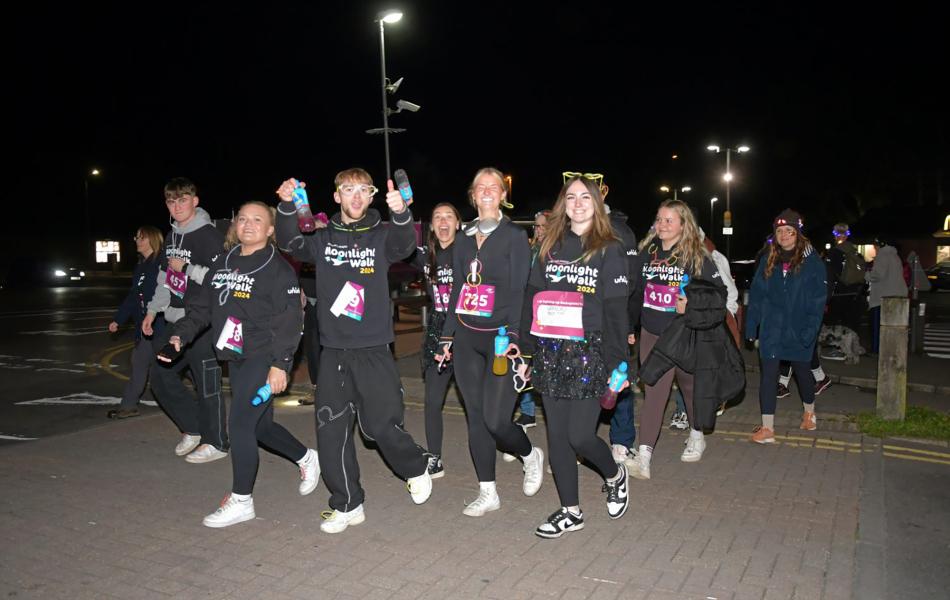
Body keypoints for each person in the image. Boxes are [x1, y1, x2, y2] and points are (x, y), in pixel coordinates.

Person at [275, 168, 432, 534]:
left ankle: (415, 466)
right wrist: (285, 206)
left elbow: (404, 246)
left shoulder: (381, 235)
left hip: (374, 349)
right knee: (331, 430)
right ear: (337, 196)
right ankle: (348, 503)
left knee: (379, 426)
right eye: (348, 189)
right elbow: (289, 243)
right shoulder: (321, 237)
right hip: (333, 350)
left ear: (372, 195)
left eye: (364, 190)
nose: (357, 196)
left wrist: (401, 212)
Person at [159, 201, 319, 527]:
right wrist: (180, 335)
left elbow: (290, 320)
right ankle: (306, 457)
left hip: (263, 355)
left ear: (270, 229)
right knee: (259, 427)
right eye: (242, 219)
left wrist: (281, 365)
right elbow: (203, 306)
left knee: (240, 425)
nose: (247, 224)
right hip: (235, 355)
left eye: (257, 220)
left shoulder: (277, 269)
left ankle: (242, 500)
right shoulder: (224, 262)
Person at [516, 174, 630, 538]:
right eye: (571, 197)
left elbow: (616, 313)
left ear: (596, 204)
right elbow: (532, 299)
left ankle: (615, 474)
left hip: (590, 352)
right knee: (558, 438)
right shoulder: (549, 245)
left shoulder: (610, 248)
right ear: (562, 205)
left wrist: (619, 364)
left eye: (584, 197)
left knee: (581, 436)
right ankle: (570, 511)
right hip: (550, 351)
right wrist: (525, 351)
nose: (577, 203)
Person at [436, 167, 544, 517]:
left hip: (501, 339)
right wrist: (447, 336)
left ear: (502, 194)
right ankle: (487, 492)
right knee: (477, 418)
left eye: (492, 187)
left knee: (497, 421)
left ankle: (530, 454)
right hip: (467, 337)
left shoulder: (514, 236)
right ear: (472, 195)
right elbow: (458, 290)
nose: (485, 191)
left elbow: (519, 291)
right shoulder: (464, 237)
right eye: (480, 186)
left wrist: (514, 336)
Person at [626, 200, 725, 479]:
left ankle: (697, 434)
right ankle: (644, 457)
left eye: (669, 220)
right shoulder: (647, 252)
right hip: (651, 333)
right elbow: (635, 291)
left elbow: (719, 293)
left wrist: (691, 303)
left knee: (689, 388)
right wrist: (628, 325)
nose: (662, 225)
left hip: (683, 334)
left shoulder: (696, 255)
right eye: (659, 219)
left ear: (684, 225)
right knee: (654, 390)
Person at [142, 177, 229, 463]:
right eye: (171, 201)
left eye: (182, 200)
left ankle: (217, 442)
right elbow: (165, 278)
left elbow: (221, 280)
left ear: (195, 201)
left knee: (207, 384)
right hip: (176, 320)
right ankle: (193, 427)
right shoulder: (171, 237)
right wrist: (153, 311)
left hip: (203, 321)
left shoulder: (209, 236)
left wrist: (188, 268)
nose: (177, 206)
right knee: (160, 376)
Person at [745, 209, 827, 443]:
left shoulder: (812, 262)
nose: (783, 235)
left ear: (797, 233)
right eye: (779, 231)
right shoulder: (768, 259)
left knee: (802, 372)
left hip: (800, 329)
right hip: (772, 329)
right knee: (769, 376)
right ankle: (767, 428)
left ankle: (809, 413)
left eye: (789, 231)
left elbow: (818, 300)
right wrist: (751, 326)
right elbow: (757, 295)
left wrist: (811, 330)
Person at [409, 202, 462, 478]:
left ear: (458, 224)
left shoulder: (467, 252)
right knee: (432, 400)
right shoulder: (426, 256)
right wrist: (401, 211)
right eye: (437, 217)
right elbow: (399, 245)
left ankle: (507, 442)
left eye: (448, 217)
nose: (443, 222)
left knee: (477, 404)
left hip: (465, 330)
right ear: (431, 225)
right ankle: (435, 457)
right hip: (437, 330)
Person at [106, 225, 164, 420]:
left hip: (161, 326)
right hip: (145, 328)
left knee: (175, 366)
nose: (137, 241)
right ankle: (128, 406)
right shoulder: (141, 267)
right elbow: (133, 297)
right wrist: (118, 320)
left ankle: (203, 393)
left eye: (142, 237)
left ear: (152, 240)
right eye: (136, 237)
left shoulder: (161, 263)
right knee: (139, 362)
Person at [604, 200, 639, 467]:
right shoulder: (569, 230)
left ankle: (622, 441)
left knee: (618, 376)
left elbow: (632, 282)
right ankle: (579, 442)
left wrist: (628, 325)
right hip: (579, 322)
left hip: (613, 320)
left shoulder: (621, 232)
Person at [514, 209, 551, 429]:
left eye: (544, 226)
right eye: (537, 226)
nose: (539, 230)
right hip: (526, 309)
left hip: (547, 313)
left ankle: (551, 412)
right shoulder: (529, 249)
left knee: (544, 361)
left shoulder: (557, 252)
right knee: (523, 358)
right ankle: (527, 412)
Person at [823, 222, 865, 359]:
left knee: (836, 324)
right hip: (854, 292)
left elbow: (829, 275)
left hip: (839, 292)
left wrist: (826, 295)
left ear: (835, 235)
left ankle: (839, 350)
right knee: (851, 322)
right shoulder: (855, 251)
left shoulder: (834, 252)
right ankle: (854, 350)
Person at [866, 240, 908, 354]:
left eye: (875, 246)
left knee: (878, 325)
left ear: (880, 245)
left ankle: (876, 349)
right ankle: (891, 349)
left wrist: (867, 275)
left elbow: (877, 275)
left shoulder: (882, 255)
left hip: (882, 296)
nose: (874, 248)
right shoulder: (895, 256)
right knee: (893, 326)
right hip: (897, 294)